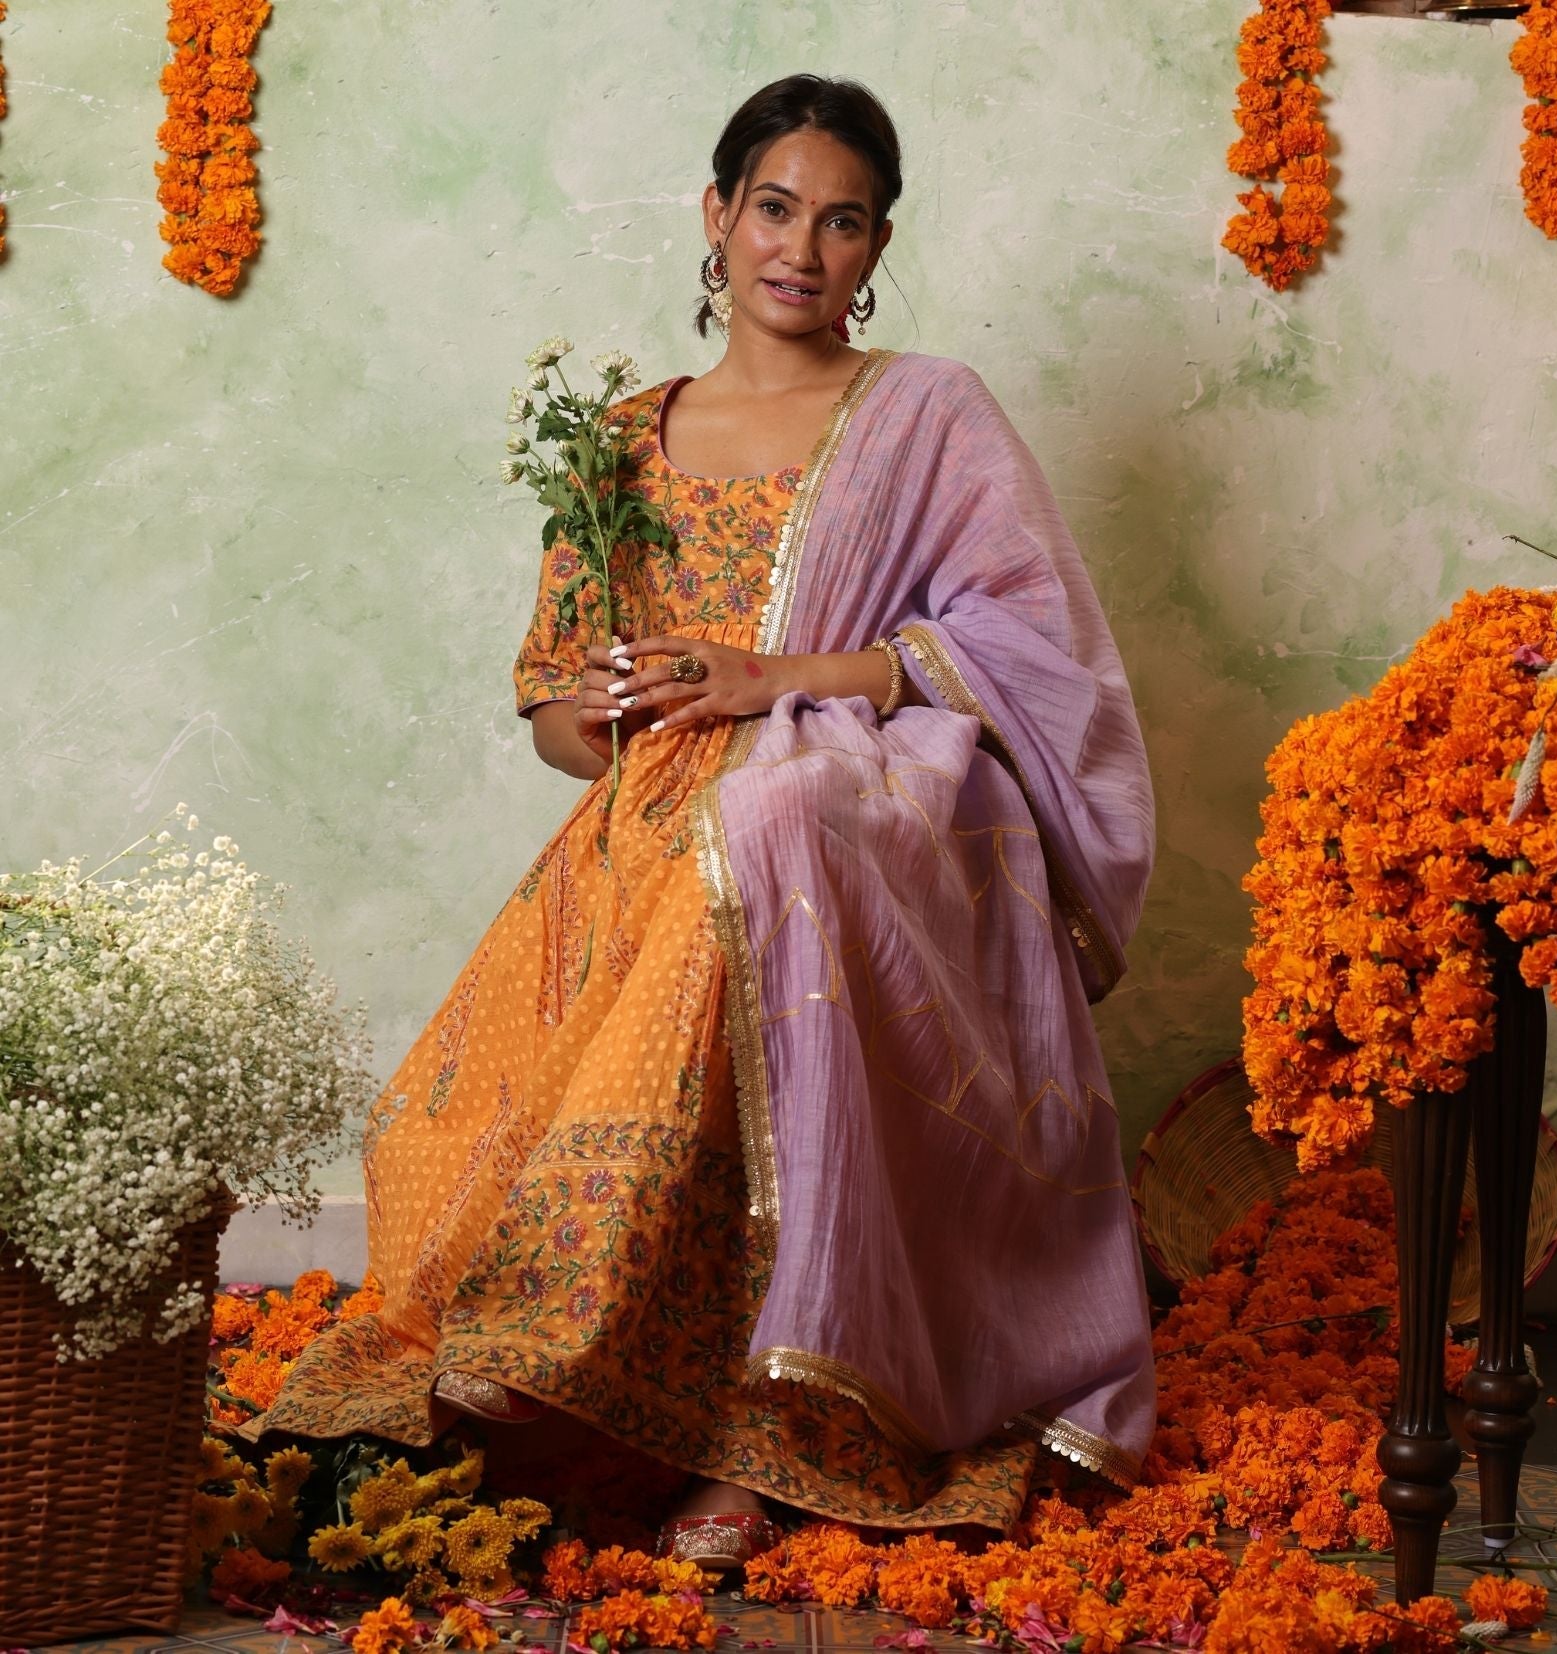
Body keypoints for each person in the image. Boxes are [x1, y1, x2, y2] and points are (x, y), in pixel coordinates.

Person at [249, 72, 1157, 1573]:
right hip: (659, 826)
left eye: (843, 220)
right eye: (776, 208)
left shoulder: (922, 412)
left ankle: (769, 1431)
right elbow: (551, 707)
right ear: (718, 216)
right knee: (464, 1108)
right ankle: (574, 1372)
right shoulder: (613, 438)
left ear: (877, 248)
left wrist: (769, 681)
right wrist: (599, 716)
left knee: (776, 825)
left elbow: (1026, 656)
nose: (801, 247)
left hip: (856, 815)